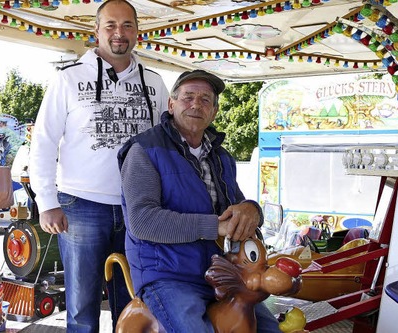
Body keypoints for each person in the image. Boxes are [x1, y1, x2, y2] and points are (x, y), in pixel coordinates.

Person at [28, 0, 169, 331]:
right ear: (96, 31)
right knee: (82, 304)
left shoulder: (156, 84)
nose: (119, 33)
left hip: (139, 208)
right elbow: (44, 142)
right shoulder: (68, 79)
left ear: (137, 31)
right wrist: (46, 202)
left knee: (135, 300)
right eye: (110, 25)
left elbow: (167, 143)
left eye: (127, 25)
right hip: (80, 205)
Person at [118, 70, 282, 332]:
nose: (196, 104)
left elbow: (236, 208)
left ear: (214, 112)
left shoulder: (221, 157)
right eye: (188, 97)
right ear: (171, 105)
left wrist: (252, 210)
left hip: (220, 276)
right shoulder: (144, 150)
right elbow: (143, 221)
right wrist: (214, 227)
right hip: (168, 276)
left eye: (206, 100)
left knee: (268, 328)